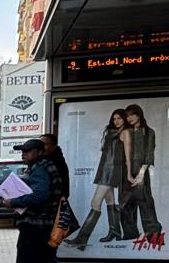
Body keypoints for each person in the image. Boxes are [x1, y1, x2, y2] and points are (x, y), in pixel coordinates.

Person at [7, 138, 60, 263]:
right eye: (23, 151)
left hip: (35, 227)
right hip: (43, 226)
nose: (24, 154)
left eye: (27, 151)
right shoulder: (45, 166)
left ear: (39, 152)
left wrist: (14, 201)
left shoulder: (40, 169)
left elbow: (40, 195)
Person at [64, 109, 131, 250]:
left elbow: (127, 155)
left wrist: (129, 173)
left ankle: (82, 238)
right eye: (114, 118)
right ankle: (115, 232)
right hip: (105, 169)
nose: (116, 121)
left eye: (119, 118)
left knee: (95, 202)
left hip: (112, 171)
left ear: (124, 119)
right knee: (110, 201)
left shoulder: (125, 133)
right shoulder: (113, 132)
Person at [120, 103, 162, 240]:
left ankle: (153, 234)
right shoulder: (126, 132)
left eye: (132, 114)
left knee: (145, 201)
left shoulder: (149, 132)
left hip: (140, 168)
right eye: (127, 116)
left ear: (139, 114)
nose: (130, 118)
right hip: (125, 168)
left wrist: (141, 173)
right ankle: (130, 234)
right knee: (125, 202)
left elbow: (150, 154)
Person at [41, 132, 69, 263]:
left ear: (53, 146)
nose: (42, 148)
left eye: (44, 144)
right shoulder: (51, 162)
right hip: (48, 217)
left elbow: (60, 193)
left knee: (48, 256)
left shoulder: (54, 164)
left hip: (50, 218)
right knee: (48, 257)